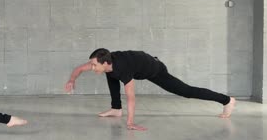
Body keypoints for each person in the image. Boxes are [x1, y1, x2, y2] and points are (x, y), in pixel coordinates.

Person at [65, 48, 236, 131]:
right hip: (140, 62)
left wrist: (130, 122)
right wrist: (72, 80)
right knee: (110, 76)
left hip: (156, 70)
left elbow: (131, 97)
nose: (92, 67)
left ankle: (227, 100)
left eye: (95, 65)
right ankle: (116, 109)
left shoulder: (122, 68)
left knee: (186, 91)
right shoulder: (106, 62)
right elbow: (79, 69)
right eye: (92, 64)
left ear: (105, 62)